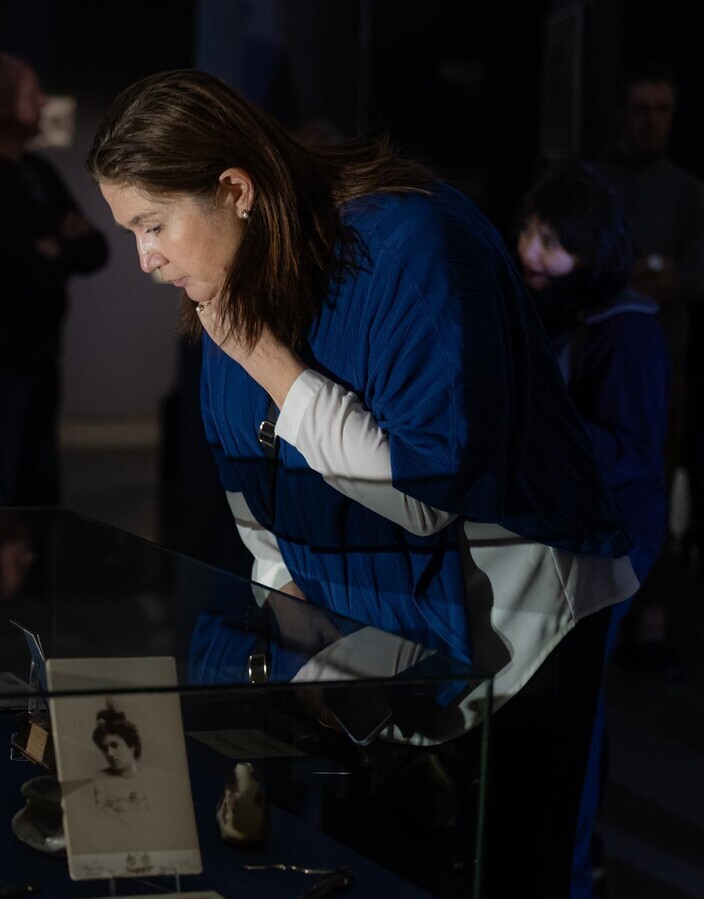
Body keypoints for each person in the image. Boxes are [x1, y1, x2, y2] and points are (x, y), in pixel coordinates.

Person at [87, 69, 637, 898]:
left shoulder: (413, 242)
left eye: (153, 224)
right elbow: (261, 518)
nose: (145, 259)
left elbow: (425, 491)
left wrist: (268, 359)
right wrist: (307, 642)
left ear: (234, 190)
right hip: (382, 635)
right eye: (132, 231)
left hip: (520, 619)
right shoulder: (225, 300)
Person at [518, 164, 671, 899]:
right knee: (572, 703)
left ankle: (571, 872)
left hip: (610, 543)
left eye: (552, 242)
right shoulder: (559, 308)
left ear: (592, 251)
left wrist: (539, 430)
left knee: (575, 705)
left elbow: (635, 452)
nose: (530, 251)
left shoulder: (628, 330)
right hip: (568, 535)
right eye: (528, 232)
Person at [0, 52, 108, 505]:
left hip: (42, 358)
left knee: (41, 489)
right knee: (2, 494)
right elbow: (27, 272)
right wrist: (56, 245)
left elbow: (96, 249)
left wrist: (51, 248)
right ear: (1, 106)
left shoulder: (39, 172)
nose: (42, 104)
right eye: (32, 94)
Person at [596, 60, 704, 670]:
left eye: (661, 110)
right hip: (600, 360)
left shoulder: (686, 192)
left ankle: (650, 613)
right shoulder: (599, 181)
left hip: (667, 365)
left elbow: (694, 274)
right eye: (641, 110)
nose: (651, 122)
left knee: (654, 480)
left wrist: (658, 276)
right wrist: (644, 273)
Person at [90, 703, 150, 822]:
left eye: (115, 745)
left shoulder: (154, 779)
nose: (110, 753)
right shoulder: (99, 781)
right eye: (105, 749)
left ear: (131, 745)